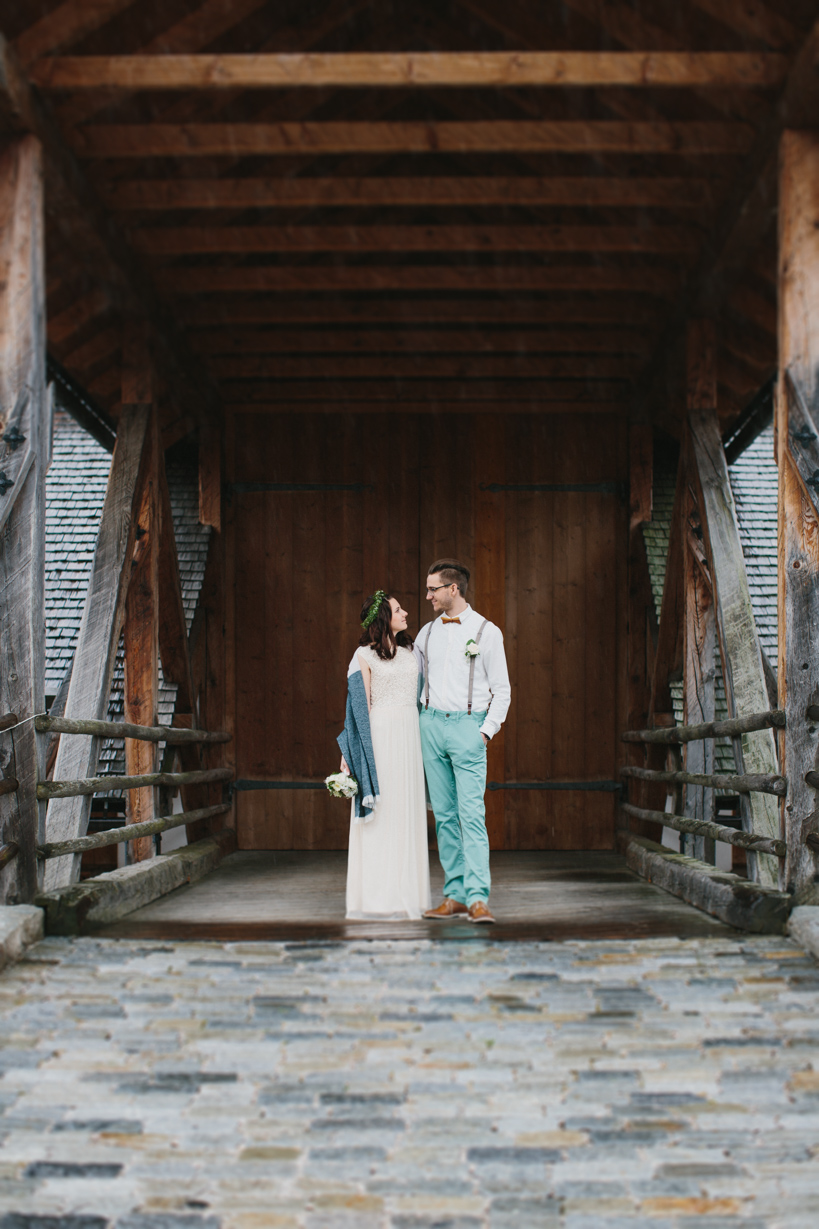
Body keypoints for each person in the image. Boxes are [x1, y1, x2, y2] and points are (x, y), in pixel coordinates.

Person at [418, 559, 511, 924]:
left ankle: (477, 899)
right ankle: (454, 895)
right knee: (443, 816)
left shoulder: (488, 632)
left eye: (433, 589)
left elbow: (502, 690)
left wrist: (485, 731)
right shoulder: (426, 633)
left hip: (468, 728)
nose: (428, 596)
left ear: (452, 589)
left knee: (471, 816)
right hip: (431, 726)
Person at [338, 591, 431, 920]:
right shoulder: (363, 655)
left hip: (410, 735)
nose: (405, 612)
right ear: (382, 619)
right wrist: (351, 752)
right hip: (380, 737)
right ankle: (377, 897)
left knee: (406, 810)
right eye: (397, 609)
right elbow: (357, 706)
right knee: (383, 813)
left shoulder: (411, 650)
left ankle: (409, 892)